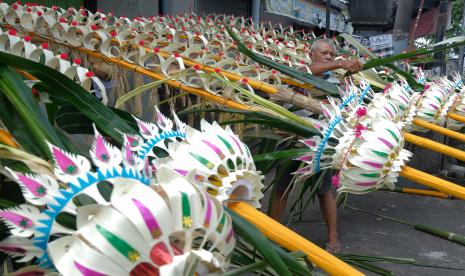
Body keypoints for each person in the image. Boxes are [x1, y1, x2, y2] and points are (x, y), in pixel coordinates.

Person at [269, 38, 362, 254]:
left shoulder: (335, 82)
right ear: (312, 54)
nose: (329, 56)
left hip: (321, 141)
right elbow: (307, 71)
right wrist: (340, 63)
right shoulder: (301, 71)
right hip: (291, 137)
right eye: (324, 53)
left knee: (324, 189)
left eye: (332, 54)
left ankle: (332, 235)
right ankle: (271, 233)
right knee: (282, 187)